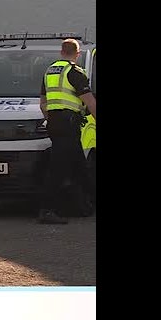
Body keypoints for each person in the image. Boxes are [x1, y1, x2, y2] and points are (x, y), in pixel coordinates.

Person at [38, 38, 97, 224]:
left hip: (55, 124)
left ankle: (87, 205)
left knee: (80, 166)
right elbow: (90, 103)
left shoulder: (49, 72)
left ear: (61, 52)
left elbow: (43, 104)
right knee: (58, 168)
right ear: (77, 54)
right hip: (68, 125)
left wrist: (52, 120)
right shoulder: (75, 72)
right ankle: (47, 210)